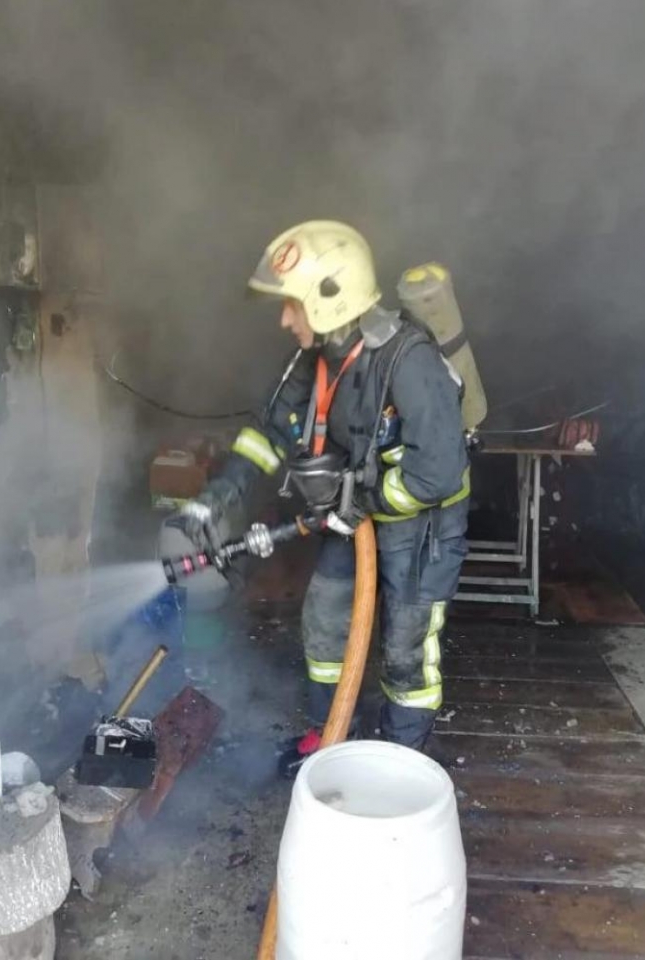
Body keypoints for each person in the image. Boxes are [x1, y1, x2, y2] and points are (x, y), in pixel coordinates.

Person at [178, 220, 469, 776]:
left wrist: (366, 500)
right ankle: (332, 735)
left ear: (329, 298)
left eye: (292, 305)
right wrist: (214, 500)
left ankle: (401, 765)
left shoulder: (408, 359)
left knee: (407, 649)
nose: (285, 319)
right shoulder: (315, 359)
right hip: (353, 512)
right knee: (325, 620)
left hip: (422, 524)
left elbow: (437, 474)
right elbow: (268, 435)